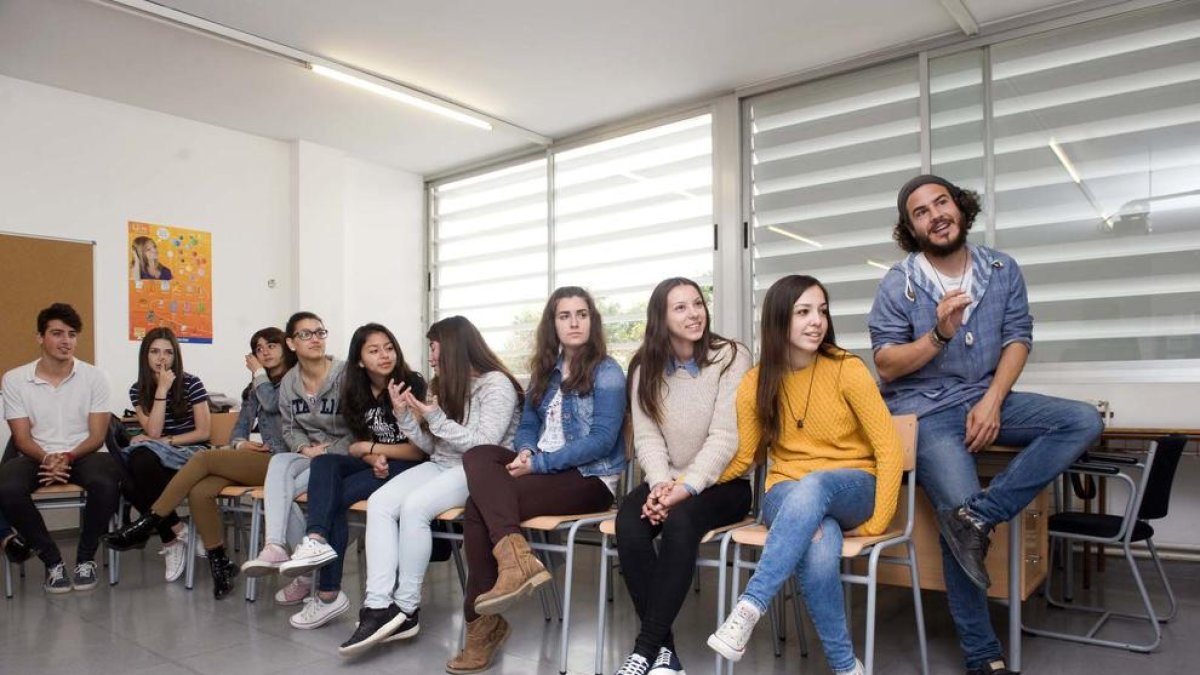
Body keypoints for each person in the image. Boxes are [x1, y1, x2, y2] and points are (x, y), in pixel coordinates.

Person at [866, 175, 1103, 675]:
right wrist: (938, 334)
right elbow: (885, 365)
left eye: (941, 203)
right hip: (926, 411)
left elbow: (1018, 337)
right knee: (957, 504)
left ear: (959, 207)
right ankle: (983, 658)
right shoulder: (899, 282)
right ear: (911, 228)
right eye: (921, 212)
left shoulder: (1001, 268)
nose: (935, 215)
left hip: (986, 397)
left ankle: (978, 518)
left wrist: (993, 401)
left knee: (1081, 419)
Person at [707, 275, 903, 675]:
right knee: (819, 538)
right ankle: (846, 667)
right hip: (786, 493)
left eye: (822, 311)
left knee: (814, 485)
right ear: (779, 319)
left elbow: (889, 447)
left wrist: (877, 523)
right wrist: (689, 485)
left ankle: (750, 606)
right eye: (804, 312)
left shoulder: (847, 369)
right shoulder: (756, 382)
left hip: (852, 487)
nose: (817, 321)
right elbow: (745, 457)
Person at [447, 288, 627, 674]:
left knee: (477, 506)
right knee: (478, 456)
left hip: (589, 479)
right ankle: (515, 557)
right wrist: (527, 450)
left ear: (592, 321)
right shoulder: (545, 371)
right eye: (565, 316)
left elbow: (602, 440)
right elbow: (528, 424)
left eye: (582, 314)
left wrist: (540, 464)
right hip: (540, 466)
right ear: (553, 324)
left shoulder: (608, 371)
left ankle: (482, 628)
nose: (574, 322)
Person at [338, 315, 523, 658]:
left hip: (479, 470)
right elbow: (430, 445)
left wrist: (435, 417)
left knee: (415, 508)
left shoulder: (496, 384)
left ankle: (406, 608)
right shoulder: (442, 384)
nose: (431, 356)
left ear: (453, 347)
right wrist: (404, 416)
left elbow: (483, 445)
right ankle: (377, 606)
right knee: (380, 503)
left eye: (434, 348)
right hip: (441, 464)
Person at [609, 277, 751, 675]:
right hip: (668, 480)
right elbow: (647, 438)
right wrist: (659, 486)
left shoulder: (731, 356)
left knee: (681, 522)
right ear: (661, 318)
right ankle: (665, 654)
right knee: (629, 523)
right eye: (681, 307)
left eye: (698, 304)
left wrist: (685, 488)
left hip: (724, 483)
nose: (694, 314)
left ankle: (644, 650)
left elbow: (725, 436)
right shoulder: (644, 368)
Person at [103, 327, 292, 597]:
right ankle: (220, 564)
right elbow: (239, 429)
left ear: (287, 347)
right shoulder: (253, 390)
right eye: (259, 348)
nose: (264, 352)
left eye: (271, 346)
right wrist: (240, 443)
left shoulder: (293, 382)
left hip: (283, 459)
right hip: (255, 457)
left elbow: (273, 404)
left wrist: (259, 373)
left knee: (201, 457)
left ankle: (149, 522)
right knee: (199, 492)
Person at [276, 323, 429, 631]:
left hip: (412, 467)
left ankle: (329, 594)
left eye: (389, 348)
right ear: (359, 360)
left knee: (335, 497)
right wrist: (372, 456)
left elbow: (418, 450)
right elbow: (360, 441)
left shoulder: (411, 384)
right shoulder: (356, 390)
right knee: (325, 463)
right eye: (374, 350)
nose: (384, 355)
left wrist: (370, 449)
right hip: (378, 462)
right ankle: (315, 540)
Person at [0, 303, 123, 593]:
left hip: (84, 452)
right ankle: (52, 561)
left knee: (107, 481)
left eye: (72, 334)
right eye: (57, 333)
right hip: (36, 454)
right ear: (40, 337)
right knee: (7, 486)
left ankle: (85, 559)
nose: (66, 341)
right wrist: (47, 458)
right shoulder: (15, 379)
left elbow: (97, 436)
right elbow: (21, 438)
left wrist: (67, 457)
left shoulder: (95, 377)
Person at [241, 312, 351, 587]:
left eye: (320, 332)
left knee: (281, 493)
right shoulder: (290, 381)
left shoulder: (347, 375)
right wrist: (304, 448)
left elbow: (361, 428)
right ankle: (276, 547)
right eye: (306, 334)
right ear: (291, 343)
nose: (315, 339)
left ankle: (305, 574)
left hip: (343, 457)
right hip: (310, 455)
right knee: (279, 463)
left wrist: (328, 451)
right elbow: (290, 428)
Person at [117, 326, 211, 579]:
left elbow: (203, 432)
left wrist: (166, 442)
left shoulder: (191, 383)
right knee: (128, 475)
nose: (162, 358)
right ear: (145, 356)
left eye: (168, 352)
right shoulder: (137, 389)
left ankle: (171, 537)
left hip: (192, 453)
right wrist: (161, 391)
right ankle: (175, 534)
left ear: (175, 356)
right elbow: (153, 431)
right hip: (158, 457)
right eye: (155, 351)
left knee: (140, 460)